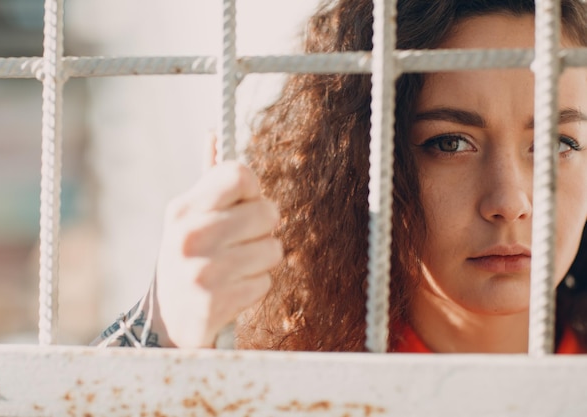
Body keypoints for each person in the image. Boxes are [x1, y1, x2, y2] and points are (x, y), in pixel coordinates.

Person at [93, 0, 587, 353]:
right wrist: (159, 333)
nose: (510, 200)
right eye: (449, 143)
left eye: (558, 144)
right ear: (363, 159)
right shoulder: (297, 385)